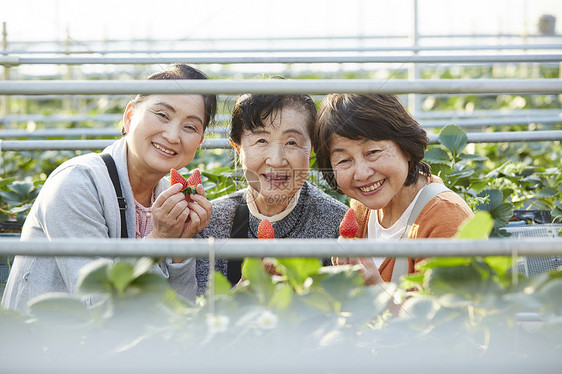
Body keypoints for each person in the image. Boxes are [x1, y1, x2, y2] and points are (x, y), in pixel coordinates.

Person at [2, 63, 217, 314]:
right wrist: (159, 240)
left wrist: (180, 248)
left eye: (190, 127)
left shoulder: (169, 198)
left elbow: (179, 313)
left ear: (199, 142)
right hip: (45, 346)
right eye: (162, 115)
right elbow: (98, 305)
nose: (172, 135)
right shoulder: (77, 183)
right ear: (129, 117)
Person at [196, 91, 349, 296]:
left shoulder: (337, 224)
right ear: (238, 148)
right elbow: (197, 318)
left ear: (311, 148)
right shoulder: (209, 223)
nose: (276, 160)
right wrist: (244, 292)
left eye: (291, 142)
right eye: (262, 141)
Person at [314, 93, 473, 285]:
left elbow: (447, 313)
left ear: (405, 147)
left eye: (373, 152)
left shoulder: (446, 217)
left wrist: (375, 287)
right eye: (344, 160)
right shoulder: (361, 209)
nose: (362, 174)